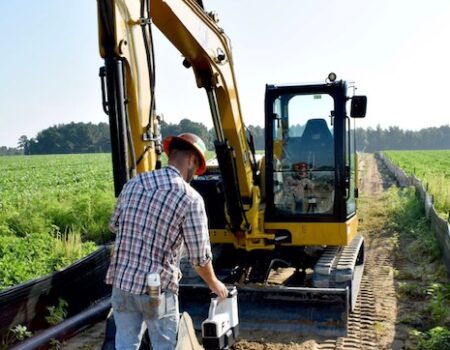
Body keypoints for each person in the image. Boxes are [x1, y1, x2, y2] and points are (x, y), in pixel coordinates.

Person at [106, 132, 228, 350]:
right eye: (196, 168)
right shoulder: (190, 198)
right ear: (192, 160)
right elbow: (199, 258)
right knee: (164, 346)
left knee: (125, 344)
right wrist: (214, 284)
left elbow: (114, 225)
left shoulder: (134, 183)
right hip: (156, 290)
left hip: (122, 283)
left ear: (171, 154)